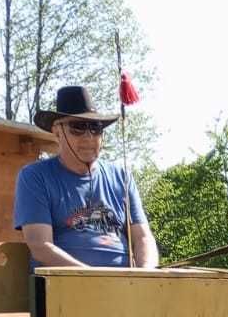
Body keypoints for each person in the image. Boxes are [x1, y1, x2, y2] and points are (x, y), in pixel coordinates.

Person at [14, 85, 158, 270]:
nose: (89, 136)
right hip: (63, 288)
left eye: (96, 128)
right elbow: (41, 247)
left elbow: (143, 237)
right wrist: (92, 279)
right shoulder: (35, 177)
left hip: (125, 286)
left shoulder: (122, 177)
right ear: (57, 131)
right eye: (78, 127)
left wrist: (146, 275)